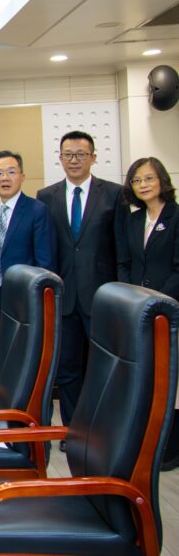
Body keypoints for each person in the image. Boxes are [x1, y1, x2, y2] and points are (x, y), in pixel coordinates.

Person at [36, 131, 123, 431]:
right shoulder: (46, 197)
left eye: (81, 154)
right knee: (67, 369)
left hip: (102, 297)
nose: (74, 160)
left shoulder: (113, 194)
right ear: (60, 158)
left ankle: (104, 432)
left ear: (93, 157)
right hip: (64, 297)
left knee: (104, 369)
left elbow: (120, 248)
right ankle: (73, 431)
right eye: (68, 155)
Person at [117, 157, 179, 470]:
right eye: (137, 180)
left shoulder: (176, 216)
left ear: (162, 180)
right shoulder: (132, 220)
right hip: (139, 311)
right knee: (147, 377)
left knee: (171, 380)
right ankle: (150, 443)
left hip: (169, 310)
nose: (143, 185)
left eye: (149, 178)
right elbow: (125, 262)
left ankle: (172, 446)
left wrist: (158, 301)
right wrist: (132, 297)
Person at [0, 150, 55, 333]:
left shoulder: (37, 210)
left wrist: (39, 300)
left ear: (22, 177)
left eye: (11, 172)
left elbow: (45, 262)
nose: (5, 178)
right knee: (2, 347)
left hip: (27, 297)